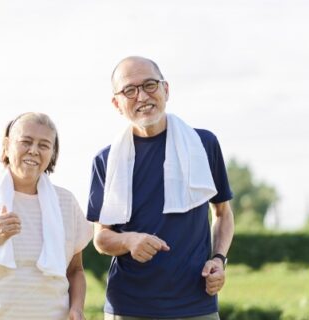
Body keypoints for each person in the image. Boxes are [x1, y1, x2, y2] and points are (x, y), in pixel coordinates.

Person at [87, 56, 235, 319]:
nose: (142, 96)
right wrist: (129, 240)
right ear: (117, 104)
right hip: (128, 306)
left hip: (196, 303)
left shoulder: (203, 144)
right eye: (129, 90)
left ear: (166, 89)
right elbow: (101, 238)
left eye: (150, 85)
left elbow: (222, 213)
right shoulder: (106, 160)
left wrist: (218, 260)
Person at [0, 112, 93, 320]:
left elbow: (75, 271)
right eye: (26, 142)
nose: (34, 151)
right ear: (6, 145)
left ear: (52, 153)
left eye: (44, 145)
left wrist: (77, 307)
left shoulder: (66, 203)